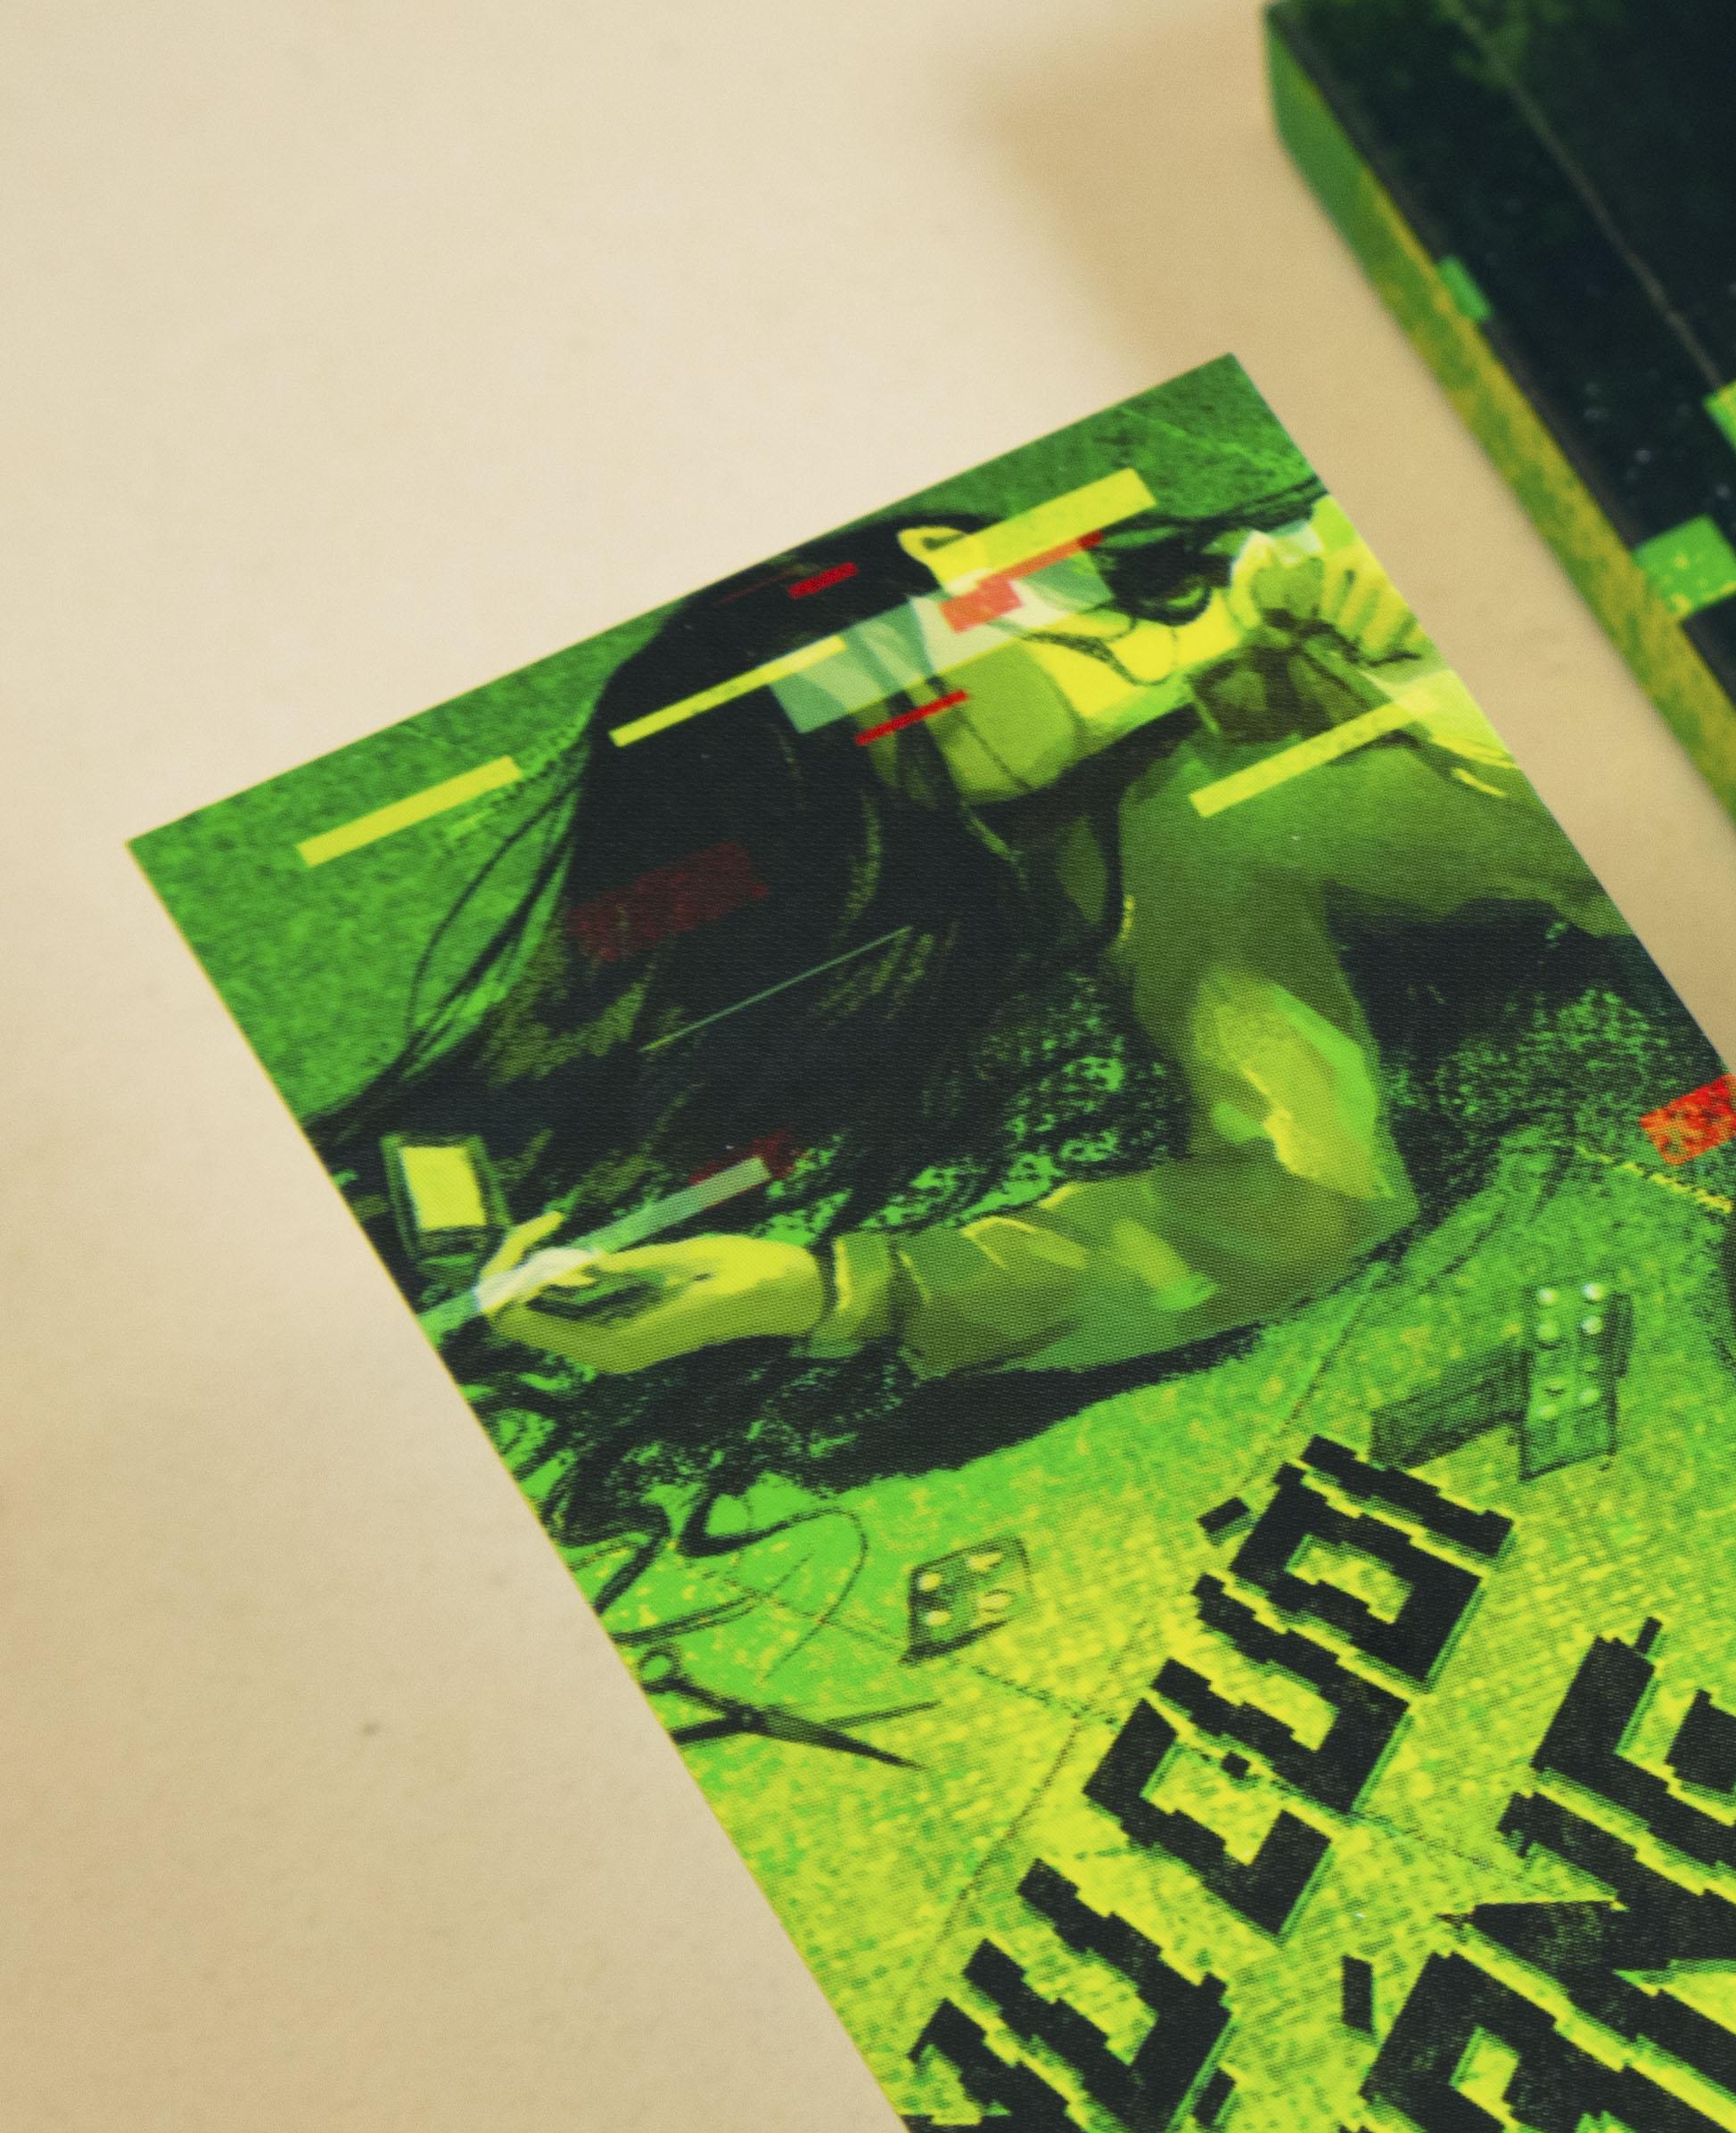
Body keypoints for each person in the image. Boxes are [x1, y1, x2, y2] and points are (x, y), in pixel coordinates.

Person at [316, 475, 1644, 1561]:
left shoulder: (1329, 523)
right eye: (920, 774)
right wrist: (826, 1289)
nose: (976, 750)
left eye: (918, 699)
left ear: (954, 560)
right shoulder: (1156, 845)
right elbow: (1301, 1199)